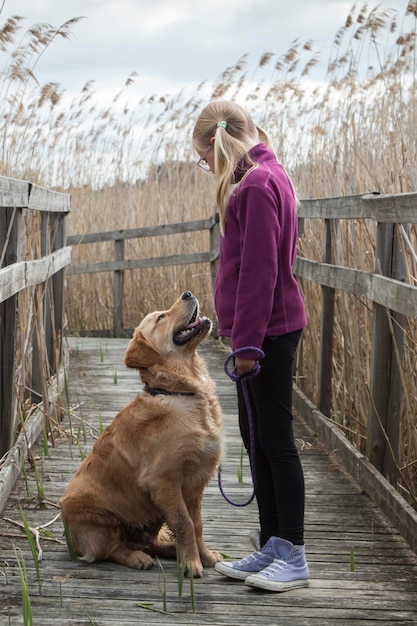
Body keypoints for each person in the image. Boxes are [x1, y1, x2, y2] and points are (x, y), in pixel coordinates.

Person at [192, 100, 309, 592]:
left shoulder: (257, 186)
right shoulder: (267, 173)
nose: (207, 167)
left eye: (204, 158)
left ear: (218, 147)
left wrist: (246, 345)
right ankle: (274, 544)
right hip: (266, 332)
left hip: (267, 335)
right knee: (258, 439)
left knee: (276, 442)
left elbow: (260, 273)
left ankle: (295, 554)